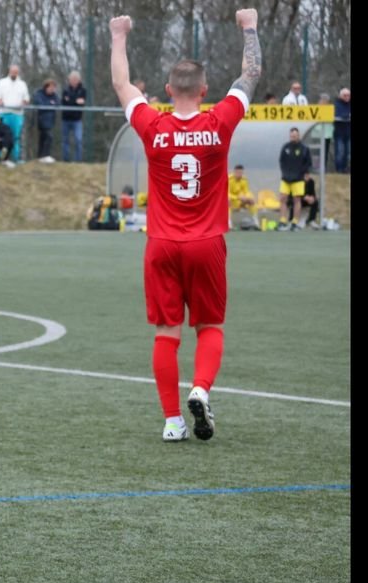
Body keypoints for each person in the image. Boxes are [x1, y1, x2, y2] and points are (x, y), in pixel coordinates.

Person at [108, 8, 261, 442]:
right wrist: (249, 28)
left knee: (165, 332)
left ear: (167, 90)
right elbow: (251, 74)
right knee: (209, 326)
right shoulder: (220, 122)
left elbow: (121, 84)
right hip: (207, 242)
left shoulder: (153, 125)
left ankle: (173, 420)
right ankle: (200, 388)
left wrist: (119, 36)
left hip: (161, 244)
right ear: (206, 90)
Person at [0, 64, 29, 165]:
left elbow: (26, 99)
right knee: (1, 136)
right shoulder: (2, 82)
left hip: (17, 115)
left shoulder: (22, 84)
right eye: (13, 71)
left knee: (15, 137)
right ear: (9, 71)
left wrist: (23, 103)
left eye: (16, 72)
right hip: (4, 114)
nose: (14, 74)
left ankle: (15, 159)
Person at [276, 127, 312, 230]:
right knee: (283, 198)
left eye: (295, 136)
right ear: (290, 136)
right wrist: (284, 172)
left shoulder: (304, 149)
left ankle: (295, 222)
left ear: (298, 136)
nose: (293, 137)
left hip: (298, 179)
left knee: (297, 200)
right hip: (286, 178)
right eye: (292, 136)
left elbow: (308, 163)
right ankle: (282, 221)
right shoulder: (286, 147)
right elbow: (281, 161)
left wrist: (305, 173)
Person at [60, 71, 87, 162]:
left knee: (78, 140)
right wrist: (76, 101)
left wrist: (70, 100)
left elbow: (82, 103)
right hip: (66, 119)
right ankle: (66, 160)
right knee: (65, 141)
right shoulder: (65, 90)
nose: (74, 81)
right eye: (72, 79)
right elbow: (64, 102)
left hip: (77, 120)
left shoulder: (83, 90)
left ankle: (78, 161)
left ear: (79, 80)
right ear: (69, 80)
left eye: (76, 79)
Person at [33, 78, 60, 162]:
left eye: (54, 88)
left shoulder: (54, 95)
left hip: (51, 120)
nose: (52, 90)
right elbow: (40, 104)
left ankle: (40, 156)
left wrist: (50, 105)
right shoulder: (39, 94)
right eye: (51, 88)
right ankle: (45, 155)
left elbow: (58, 103)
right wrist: (50, 104)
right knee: (48, 137)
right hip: (41, 120)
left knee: (43, 138)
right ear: (46, 87)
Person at [333, 87, 350, 173]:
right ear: (340, 96)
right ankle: (338, 169)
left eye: (348, 95)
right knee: (340, 152)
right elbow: (337, 115)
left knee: (347, 153)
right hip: (339, 133)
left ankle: (345, 168)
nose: (347, 97)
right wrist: (345, 116)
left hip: (348, 132)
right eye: (345, 95)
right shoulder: (336, 104)